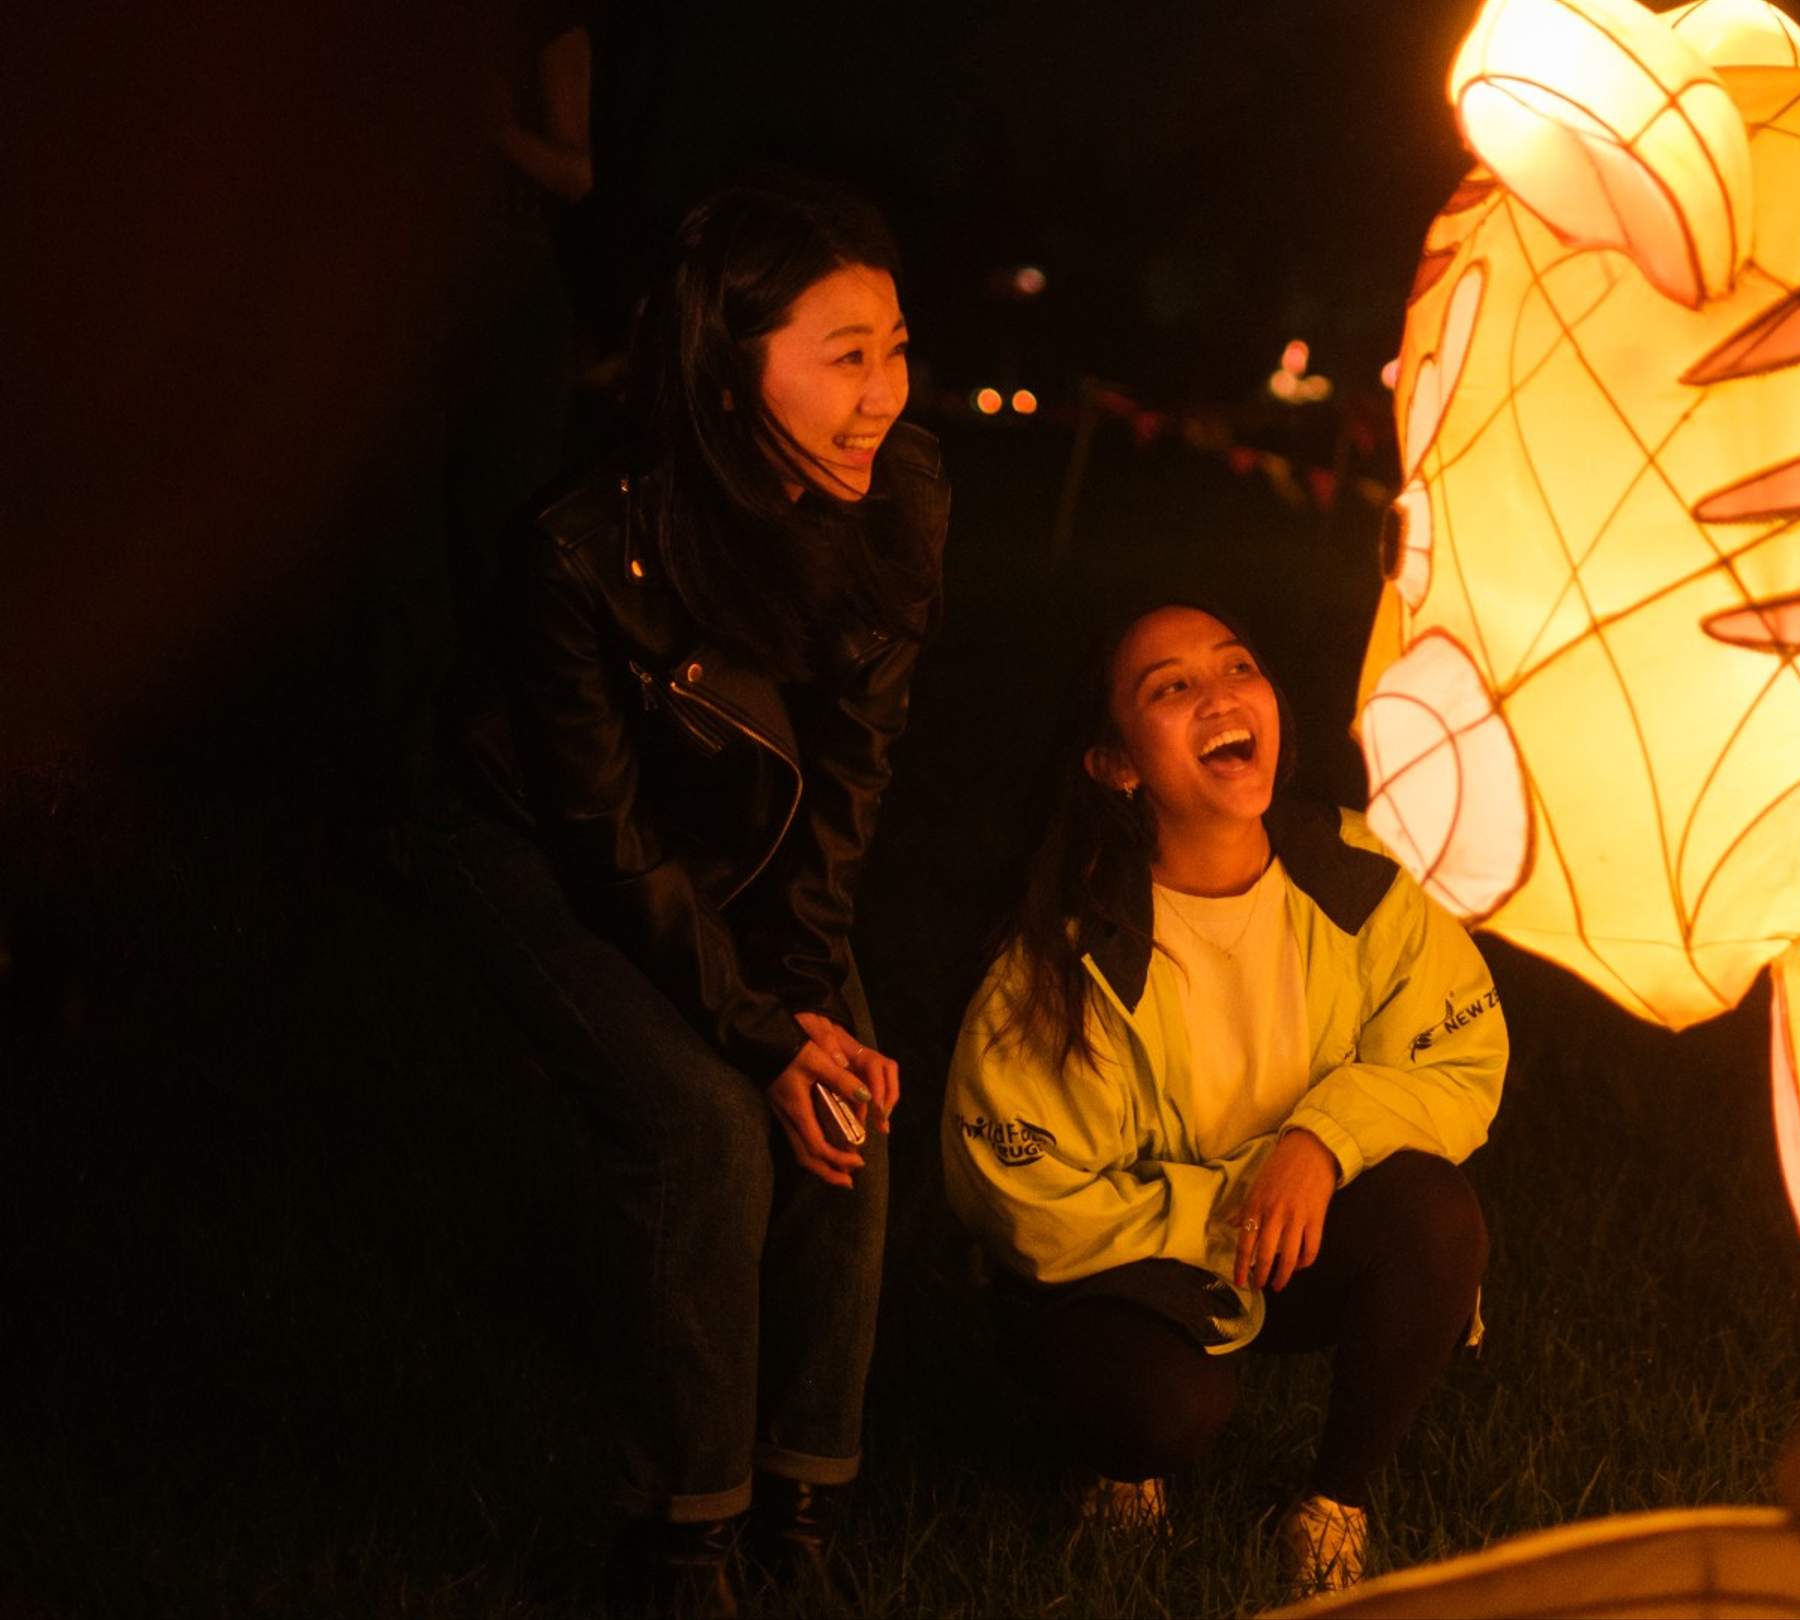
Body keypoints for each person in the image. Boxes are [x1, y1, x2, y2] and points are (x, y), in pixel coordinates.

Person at [414, 175, 947, 1615]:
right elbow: (604, 842)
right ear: (728, 363)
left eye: (897, 347)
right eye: (845, 356)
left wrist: (800, 1010)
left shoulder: (896, 500)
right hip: (546, 851)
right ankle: (681, 1541)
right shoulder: (586, 546)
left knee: (856, 1106)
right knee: (710, 1128)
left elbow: (847, 789)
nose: (883, 396)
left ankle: (800, 1516)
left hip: (749, 855)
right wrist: (755, 1038)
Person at [944, 602, 1502, 1598]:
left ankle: (1334, 1505)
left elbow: (1456, 1066)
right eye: (1171, 687)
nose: (1220, 696)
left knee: (1436, 1219)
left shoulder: (1360, 875)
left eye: (1236, 667)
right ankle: (1121, 1468)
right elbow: (1023, 1193)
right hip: (1125, 1269)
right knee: (1169, 1407)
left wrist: (1323, 1143)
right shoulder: (1071, 956)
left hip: (1292, 1234)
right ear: (1116, 764)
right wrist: (1239, 1204)